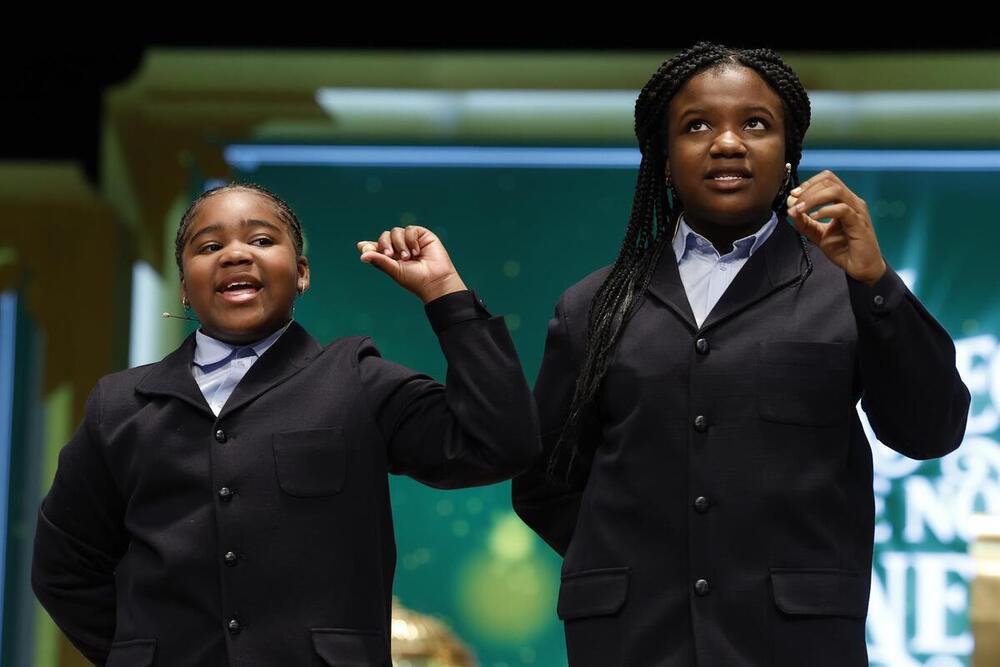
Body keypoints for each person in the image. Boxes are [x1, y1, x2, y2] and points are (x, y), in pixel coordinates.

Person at [511, 42, 971, 666]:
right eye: (696, 125)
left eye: (756, 124)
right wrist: (632, 567)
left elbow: (931, 431)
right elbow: (545, 482)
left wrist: (875, 283)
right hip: (632, 643)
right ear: (664, 158)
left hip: (796, 643)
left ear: (788, 157)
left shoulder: (850, 290)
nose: (727, 143)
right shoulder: (590, 305)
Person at [32, 183, 539, 666]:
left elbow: (499, 443)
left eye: (260, 239)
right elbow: (63, 568)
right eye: (209, 245)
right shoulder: (119, 406)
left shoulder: (356, 379)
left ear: (301, 273)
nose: (235, 254)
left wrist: (444, 294)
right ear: (184, 286)